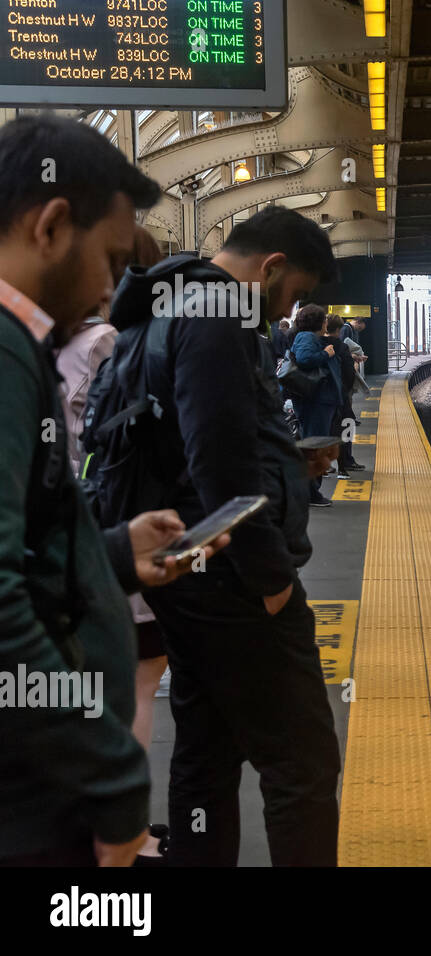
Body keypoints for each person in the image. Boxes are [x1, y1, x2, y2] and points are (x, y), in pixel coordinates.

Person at [0, 115, 227, 867]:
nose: (109, 287)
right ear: (53, 225)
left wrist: (116, 556)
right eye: (110, 259)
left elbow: (23, 553)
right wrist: (113, 775)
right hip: (35, 797)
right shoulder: (7, 353)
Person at [110, 204, 342, 866]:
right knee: (301, 761)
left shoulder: (168, 298)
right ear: (272, 267)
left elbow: (188, 441)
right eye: (293, 293)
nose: (286, 310)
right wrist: (271, 582)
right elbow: (218, 461)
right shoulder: (221, 314)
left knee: (207, 745)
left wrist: (290, 465)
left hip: (188, 569)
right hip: (233, 576)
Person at [56, 224, 171, 863]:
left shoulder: (34, 343)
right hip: (107, 529)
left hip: (63, 537)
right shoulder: (106, 342)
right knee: (136, 682)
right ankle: (122, 834)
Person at [292, 304, 345, 504]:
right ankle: (310, 493)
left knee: (316, 444)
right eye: (324, 320)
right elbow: (305, 358)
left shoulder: (312, 338)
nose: (326, 323)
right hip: (316, 402)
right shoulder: (307, 337)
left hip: (320, 401)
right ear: (318, 322)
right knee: (315, 446)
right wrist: (326, 354)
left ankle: (311, 492)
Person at [322, 313, 356, 479]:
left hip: (321, 395)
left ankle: (326, 466)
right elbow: (349, 373)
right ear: (339, 329)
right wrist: (346, 390)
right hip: (339, 394)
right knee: (346, 426)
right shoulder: (342, 347)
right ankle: (343, 466)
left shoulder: (318, 344)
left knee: (325, 430)